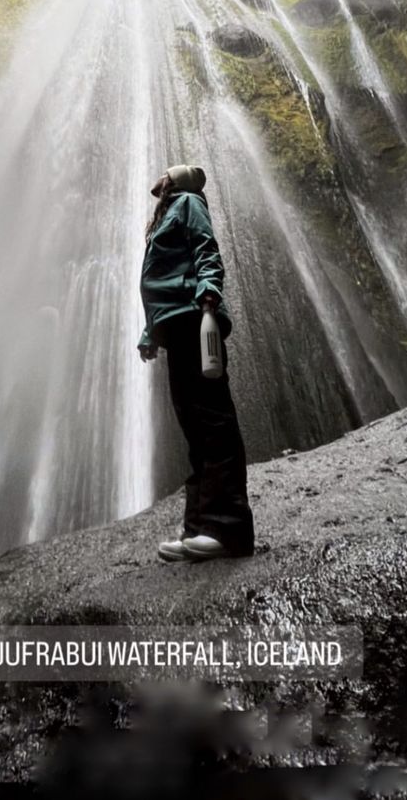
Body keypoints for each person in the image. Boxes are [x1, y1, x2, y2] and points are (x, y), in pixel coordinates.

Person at [138, 164, 255, 562]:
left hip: (194, 320)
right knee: (194, 428)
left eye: (166, 175)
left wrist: (208, 296)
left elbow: (206, 248)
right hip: (175, 328)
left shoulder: (188, 202)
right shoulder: (166, 213)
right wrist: (149, 333)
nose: (160, 180)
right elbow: (159, 285)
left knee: (212, 421)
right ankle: (198, 529)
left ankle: (230, 530)